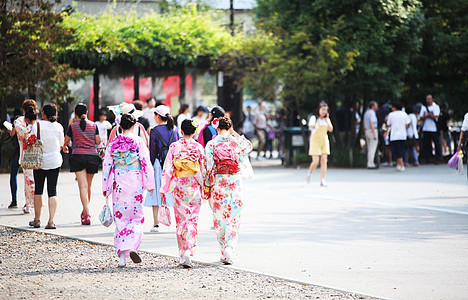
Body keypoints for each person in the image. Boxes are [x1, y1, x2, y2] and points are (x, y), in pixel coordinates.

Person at [102, 113, 155, 268]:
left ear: (120, 126)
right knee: (137, 216)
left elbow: (107, 166)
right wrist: (150, 184)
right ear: (134, 126)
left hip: (119, 181)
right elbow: (146, 162)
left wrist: (105, 187)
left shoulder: (113, 143)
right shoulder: (138, 141)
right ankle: (132, 246)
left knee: (121, 217)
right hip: (136, 181)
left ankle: (122, 258)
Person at [205, 117, 252, 265]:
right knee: (234, 217)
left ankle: (223, 250)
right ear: (230, 127)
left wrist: (207, 183)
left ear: (217, 128)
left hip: (219, 183)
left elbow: (208, 165)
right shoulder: (235, 142)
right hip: (235, 183)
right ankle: (229, 249)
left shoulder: (211, 144)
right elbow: (249, 147)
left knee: (219, 218)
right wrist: (234, 134)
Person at [160, 119, 206, 268]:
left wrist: (164, 188)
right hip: (193, 186)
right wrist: (206, 186)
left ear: (181, 130)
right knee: (192, 219)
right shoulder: (198, 147)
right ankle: (189, 251)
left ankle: (182, 254)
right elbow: (204, 169)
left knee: (181, 220)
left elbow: (167, 168)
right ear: (194, 132)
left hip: (179, 185)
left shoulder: (175, 146)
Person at [62, 103, 101, 225]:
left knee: (82, 187)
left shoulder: (72, 126)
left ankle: (87, 211)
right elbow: (97, 141)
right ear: (87, 112)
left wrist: (64, 147)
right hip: (92, 157)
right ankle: (85, 212)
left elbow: (66, 141)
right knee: (88, 186)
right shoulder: (94, 125)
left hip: (78, 156)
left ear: (75, 113)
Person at [29, 104, 64, 229]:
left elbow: (30, 140)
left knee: (38, 190)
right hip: (54, 161)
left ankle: (37, 220)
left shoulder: (37, 125)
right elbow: (61, 143)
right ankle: (51, 221)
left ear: (43, 113)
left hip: (39, 162)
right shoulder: (59, 126)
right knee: (52, 191)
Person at [144, 105, 179, 233]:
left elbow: (152, 151)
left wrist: (150, 167)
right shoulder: (174, 129)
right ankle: (177, 222)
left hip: (159, 165)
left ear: (158, 116)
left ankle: (156, 223)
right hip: (172, 165)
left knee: (157, 193)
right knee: (173, 192)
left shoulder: (154, 131)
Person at [11, 99, 38, 214]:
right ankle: (37, 201)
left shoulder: (18, 122)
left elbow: (23, 134)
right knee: (37, 179)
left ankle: (29, 204)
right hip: (38, 155)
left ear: (23, 109)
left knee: (28, 180)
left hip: (26, 154)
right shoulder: (38, 122)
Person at [307, 103, 334, 186]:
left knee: (324, 160)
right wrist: (315, 125)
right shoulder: (314, 118)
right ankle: (309, 172)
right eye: (322, 109)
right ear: (318, 110)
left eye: (325, 110)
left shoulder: (326, 119)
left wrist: (327, 120)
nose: (324, 112)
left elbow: (330, 129)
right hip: (315, 141)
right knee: (315, 161)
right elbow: (311, 128)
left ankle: (322, 179)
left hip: (324, 140)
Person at [385, 102, 410, 172]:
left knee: (397, 150)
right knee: (401, 149)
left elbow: (388, 124)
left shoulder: (391, 115)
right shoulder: (404, 114)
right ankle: (398, 164)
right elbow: (408, 123)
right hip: (403, 134)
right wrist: (403, 128)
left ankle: (401, 165)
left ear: (394, 107)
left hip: (394, 135)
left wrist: (386, 132)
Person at [419, 94, 441, 164]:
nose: (428, 100)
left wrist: (427, 115)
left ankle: (438, 159)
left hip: (434, 129)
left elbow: (435, 116)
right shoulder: (423, 107)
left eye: (429, 99)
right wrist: (429, 115)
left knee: (437, 144)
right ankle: (426, 159)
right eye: (427, 99)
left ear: (432, 99)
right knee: (426, 145)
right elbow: (421, 117)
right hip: (426, 128)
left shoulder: (436, 107)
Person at [7, 109, 21, 209]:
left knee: (13, 175)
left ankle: (14, 200)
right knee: (31, 178)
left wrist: (10, 130)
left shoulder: (17, 120)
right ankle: (32, 202)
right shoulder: (34, 121)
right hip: (28, 152)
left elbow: (12, 134)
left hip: (17, 152)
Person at [363, 101, 379, 169]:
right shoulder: (372, 113)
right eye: (376, 105)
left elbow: (364, 123)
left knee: (369, 148)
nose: (377, 107)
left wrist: (365, 132)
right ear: (373, 106)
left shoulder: (366, 113)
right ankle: (370, 164)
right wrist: (374, 134)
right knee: (372, 148)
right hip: (372, 131)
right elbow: (372, 123)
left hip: (367, 131)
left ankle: (369, 162)